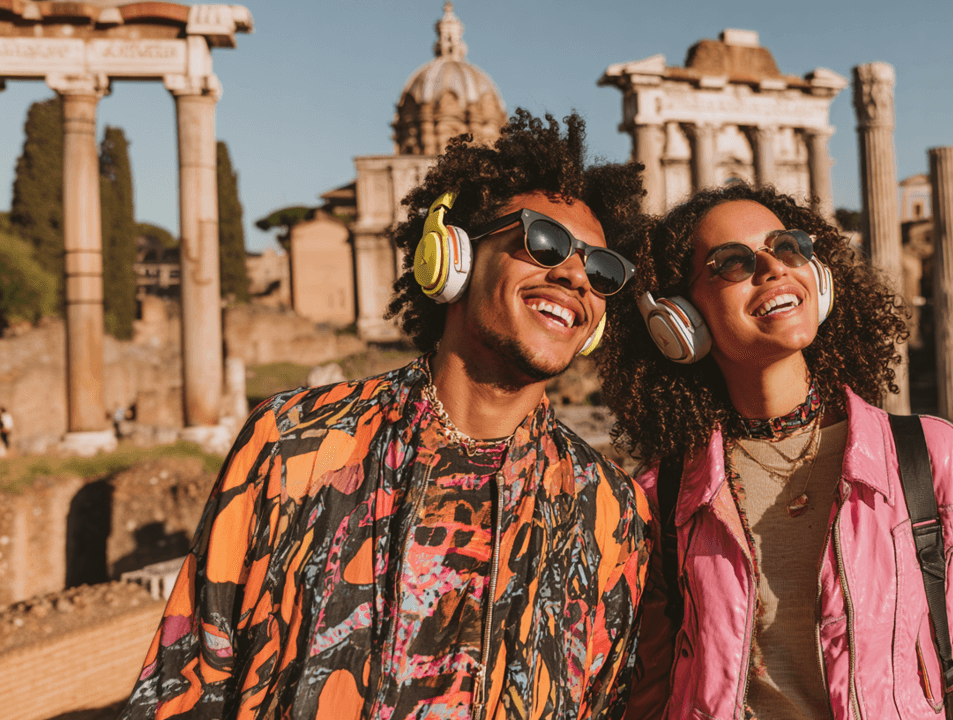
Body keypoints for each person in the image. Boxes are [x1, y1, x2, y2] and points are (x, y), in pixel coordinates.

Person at [121, 110, 653, 720]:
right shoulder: (295, 444)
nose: (574, 275)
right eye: (545, 242)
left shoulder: (611, 510)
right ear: (451, 256)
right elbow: (186, 683)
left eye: (602, 269)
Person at [598, 183, 953, 720]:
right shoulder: (662, 494)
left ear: (818, 278)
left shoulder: (929, 458)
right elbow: (648, 695)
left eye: (787, 247)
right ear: (680, 319)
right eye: (731, 263)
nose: (774, 267)